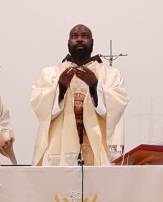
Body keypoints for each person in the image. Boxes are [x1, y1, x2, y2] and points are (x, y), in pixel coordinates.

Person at [31, 24, 129, 166]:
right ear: (68, 43)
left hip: (96, 150)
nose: (79, 40)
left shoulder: (110, 75)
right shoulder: (51, 74)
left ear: (92, 42)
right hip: (60, 151)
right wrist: (60, 88)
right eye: (74, 36)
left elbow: (117, 105)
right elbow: (39, 106)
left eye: (85, 36)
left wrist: (95, 86)